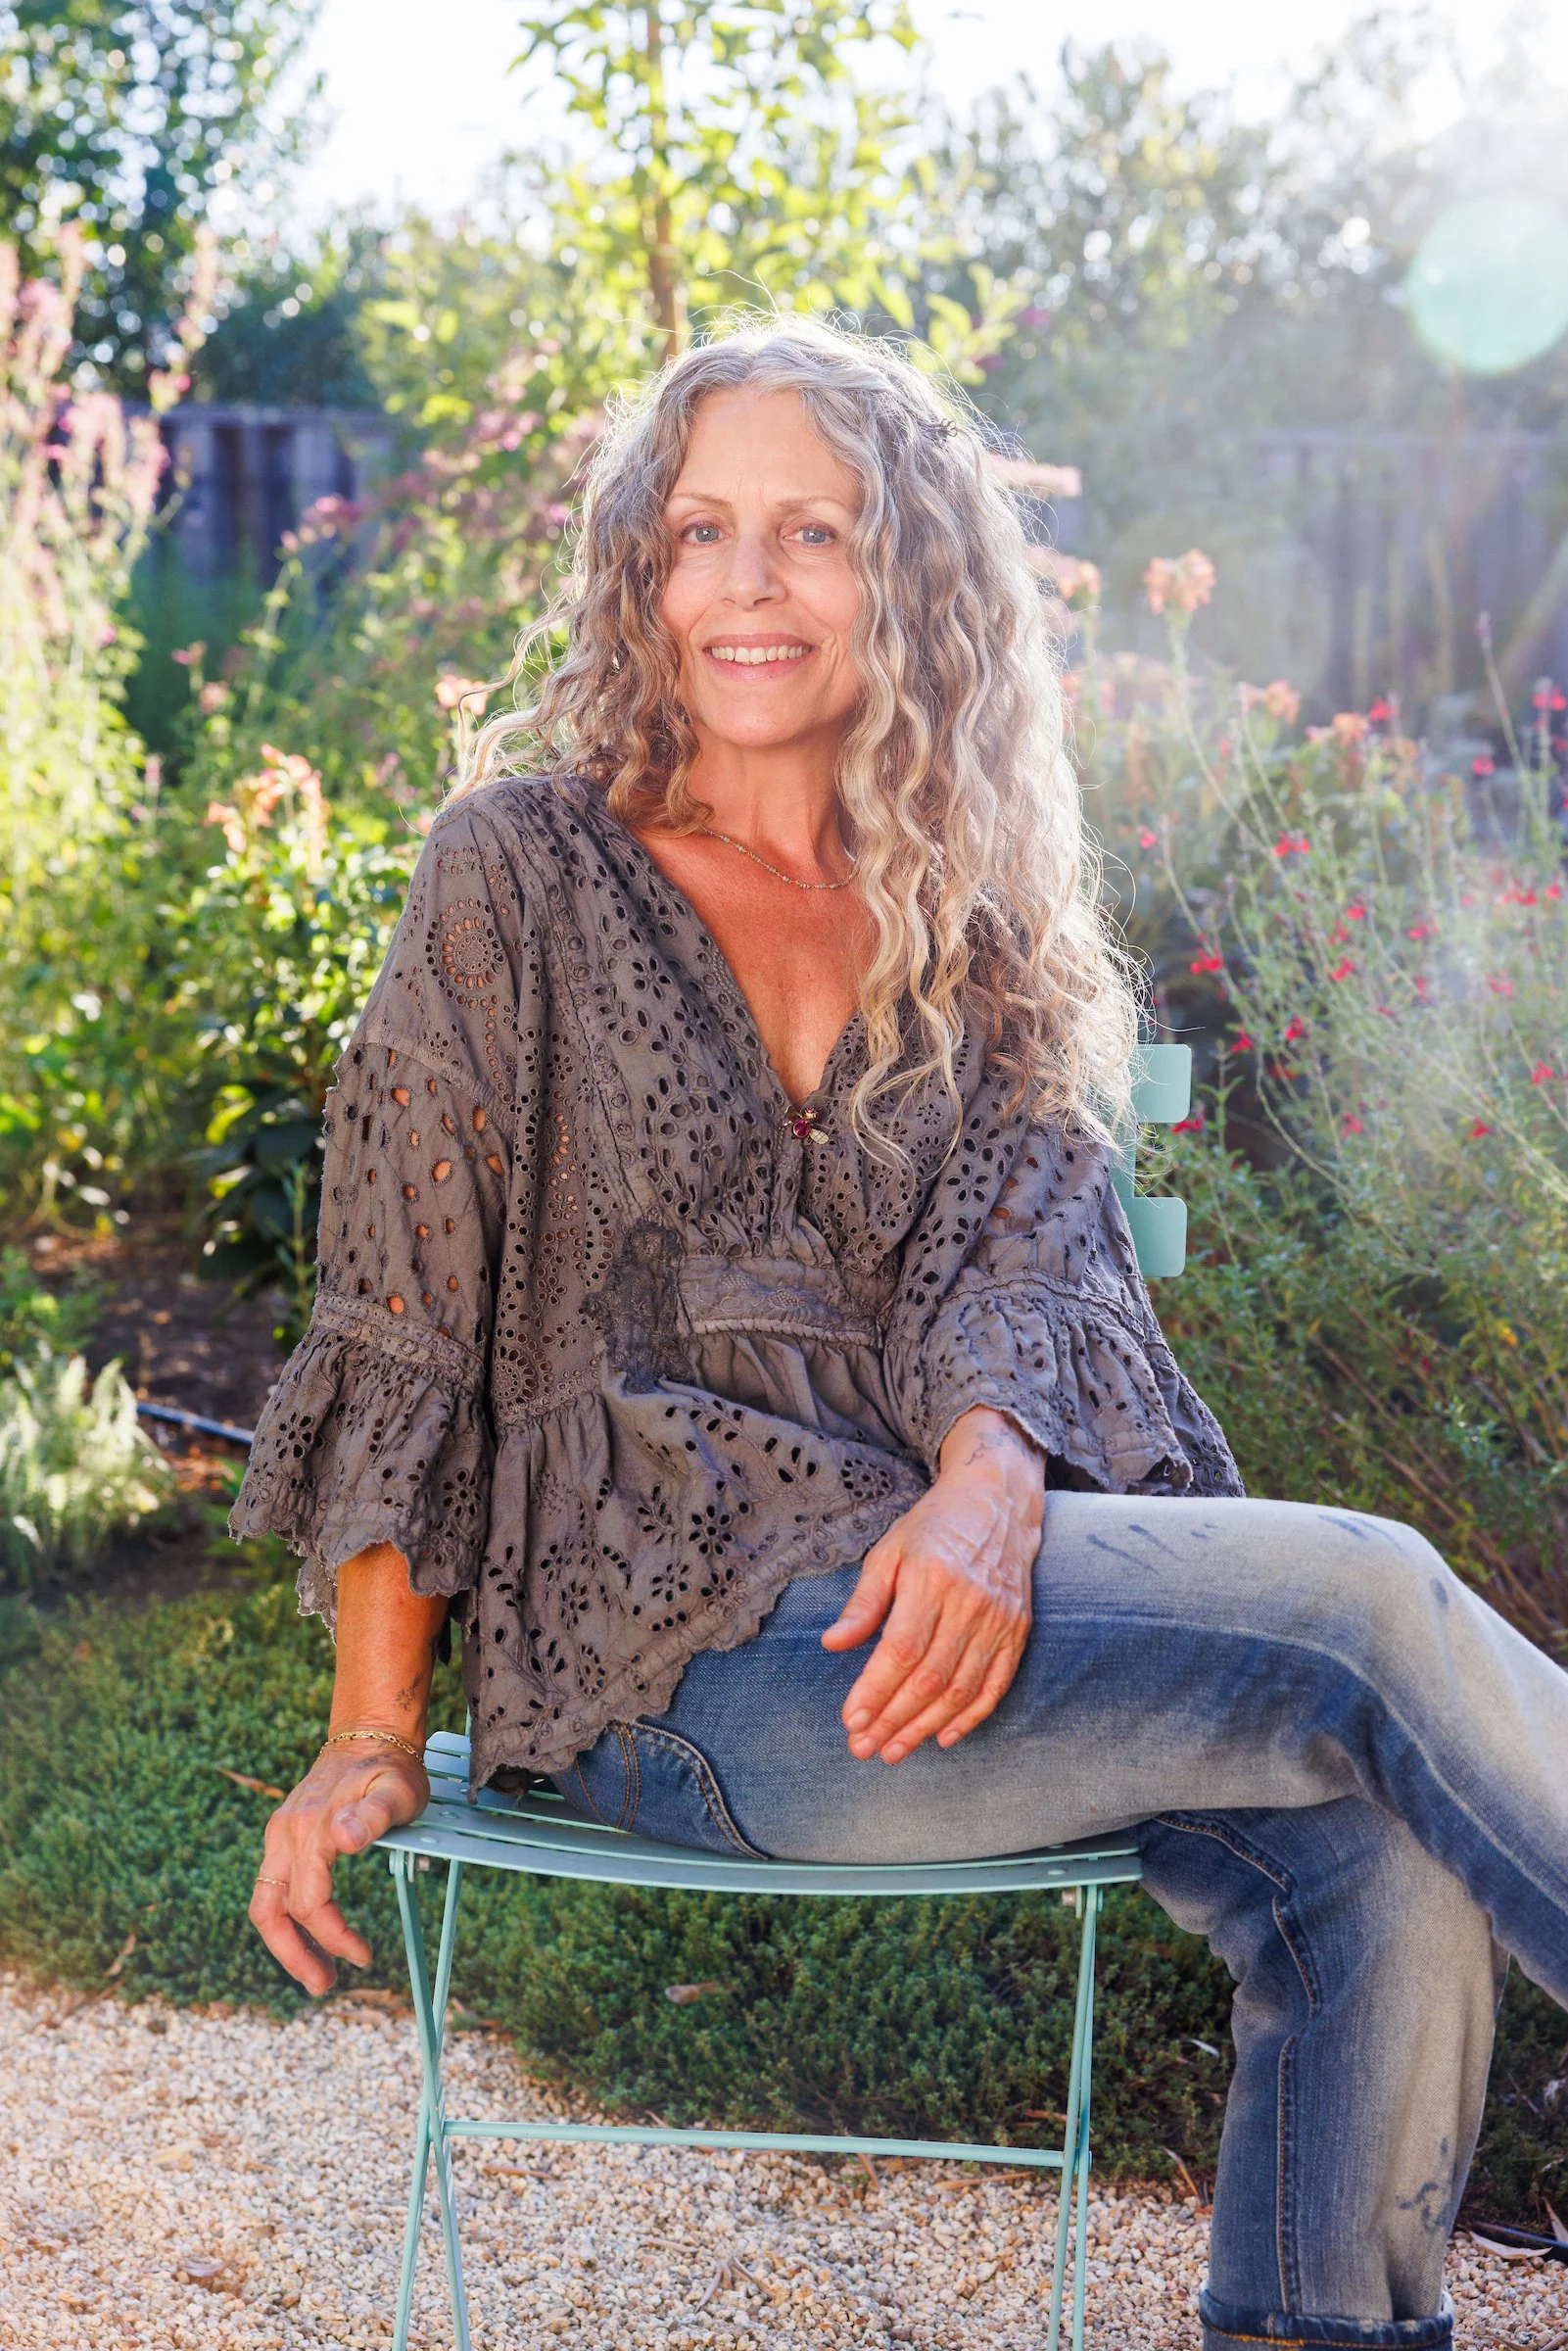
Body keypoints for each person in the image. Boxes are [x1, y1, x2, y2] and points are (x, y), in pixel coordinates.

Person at [234, 318, 1568, 2351]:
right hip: (667, 1676)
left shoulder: (971, 907)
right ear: (637, 569)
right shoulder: (514, 871)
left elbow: (1030, 1259)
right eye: (700, 531)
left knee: (1365, 1843)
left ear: (913, 579)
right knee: (1361, 1605)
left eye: (814, 534)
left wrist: (980, 1483)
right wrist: (357, 1735)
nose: (747, 586)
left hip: (927, 1638)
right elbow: (401, 1313)